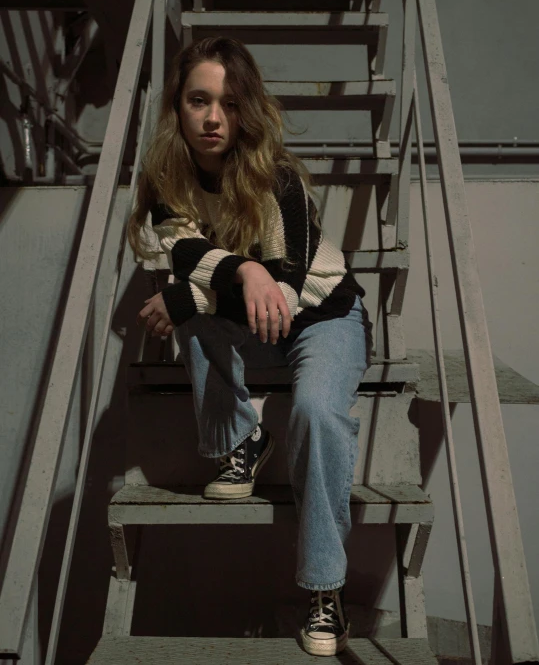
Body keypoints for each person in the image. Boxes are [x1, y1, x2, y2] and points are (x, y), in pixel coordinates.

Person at [128, 36, 373, 656]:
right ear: (177, 108)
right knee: (200, 309)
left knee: (317, 412)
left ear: (248, 112)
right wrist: (241, 270)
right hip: (253, 309)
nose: (213, 118)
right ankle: (242, 440)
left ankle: (324, 589)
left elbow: (286, 293)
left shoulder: (278, 180)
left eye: (230, 104)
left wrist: (194, 295)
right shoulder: (166, 182)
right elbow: (183, 252)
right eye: (199, 100)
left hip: (324, 315)